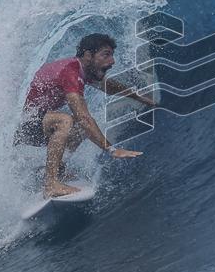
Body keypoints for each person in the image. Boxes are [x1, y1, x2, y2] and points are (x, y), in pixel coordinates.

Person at [14, 33, 156, 197]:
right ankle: (51, 183)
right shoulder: (70, 72)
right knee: (66, 121)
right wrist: (111, 150)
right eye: (106, 54)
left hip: (38, 122)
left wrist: (138, 97)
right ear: (88, 55)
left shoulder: (82, 70)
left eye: (112, 55)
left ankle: (56, 171)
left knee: (81, 128)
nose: (112, 61)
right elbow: (83, 117)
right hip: (23, 126)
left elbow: (108, 86)